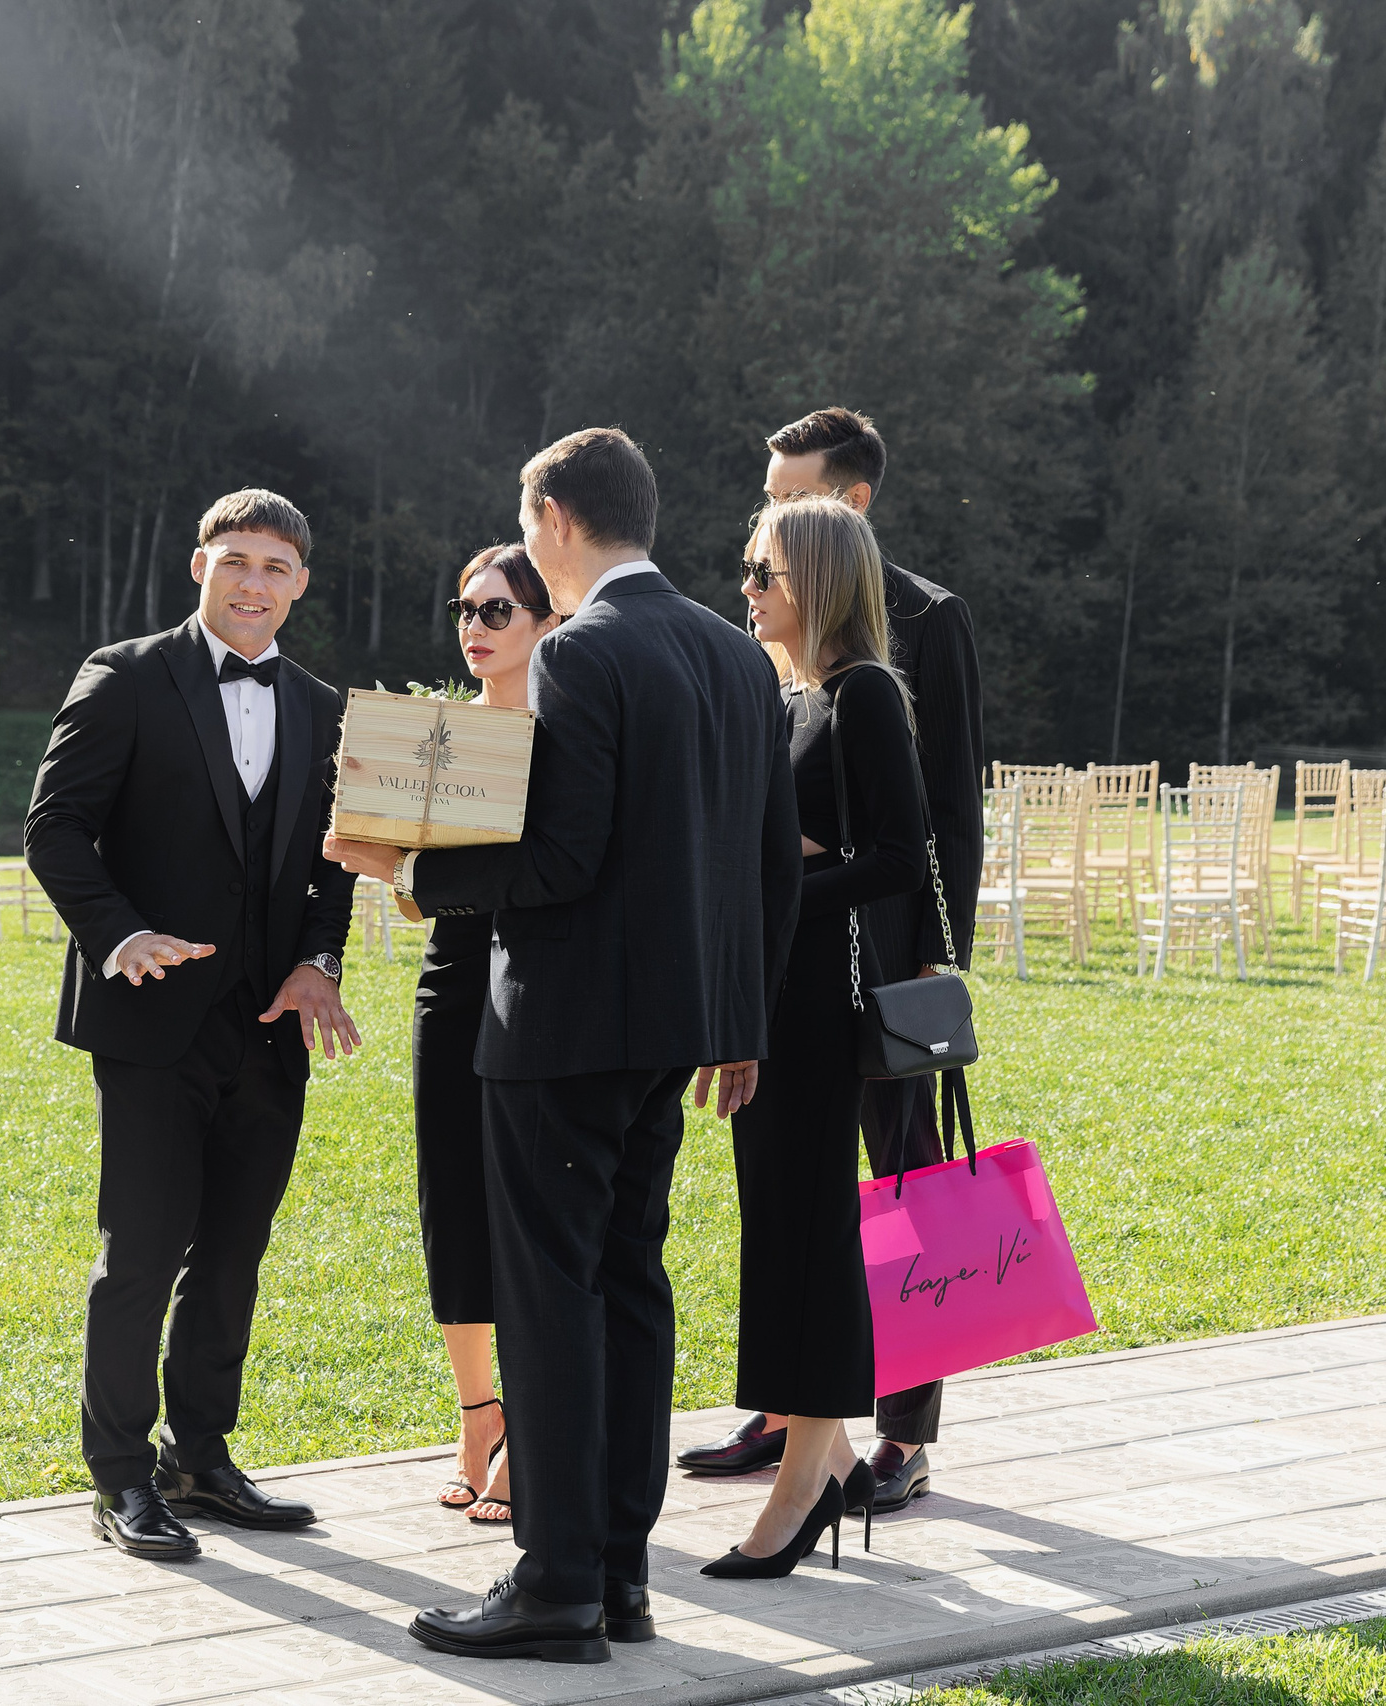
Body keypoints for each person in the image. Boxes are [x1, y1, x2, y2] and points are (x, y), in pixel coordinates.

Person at [326, 428, 802, 1663]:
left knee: (550, 1299)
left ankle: (551, 1582)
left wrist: (412, 872)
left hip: (564, 1027)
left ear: (549, 517)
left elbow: (559, 859)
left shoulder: (583, 650)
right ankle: (616, 1575)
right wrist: (737, 1019)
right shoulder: (732, 654)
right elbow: (766, 870)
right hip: (674, 1034)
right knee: (631, 1289)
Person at [24, 488, 363, 1562]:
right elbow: (56, 827)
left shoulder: (320, 703)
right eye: (234, 561)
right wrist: (115, 934)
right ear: (197, 566)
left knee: (232, 1253)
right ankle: (120, 1476)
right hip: (148, 1022)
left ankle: (200, 1456)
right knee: (139, 1253)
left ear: (301, 581)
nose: (253, 582)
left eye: (274, 564)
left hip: (268, 1027)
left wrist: (319, 960)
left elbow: (330, 863)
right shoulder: (123, 675)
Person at [677, 408, 985, 1516]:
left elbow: (941, 812)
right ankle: (796, 1414)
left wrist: (930, 958)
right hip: (799, 964)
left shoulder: (920, 632)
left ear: (839, 507)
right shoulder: (775, 652)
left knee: (903, 1194)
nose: (759, 525)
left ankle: (902, 1429)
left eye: (780, 499)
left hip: (883, 964)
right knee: (799, 1199)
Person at [701, 494, 925, 1579]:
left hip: (821, 1006)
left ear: (818, 581)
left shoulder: (867, 694)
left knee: (811, 1235)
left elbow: (896, 859)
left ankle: (799, 1491)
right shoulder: (790, 699)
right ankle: (823, 1457)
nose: (745, 588)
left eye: (762, 573)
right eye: (748, 569)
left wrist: (785, 872)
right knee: (779, 1231)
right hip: (768, 1001)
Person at [415, 544, 561, 1525]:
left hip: (547, 989)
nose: (475, 625)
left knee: (527, 1215)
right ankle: (478, 1415)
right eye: (465, 608)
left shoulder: (569, 731)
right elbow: (406, 883)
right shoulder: (436, 734)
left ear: (548, 621)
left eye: (497, 609)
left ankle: (534, 1434)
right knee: (451, 1206)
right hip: (450, 982)